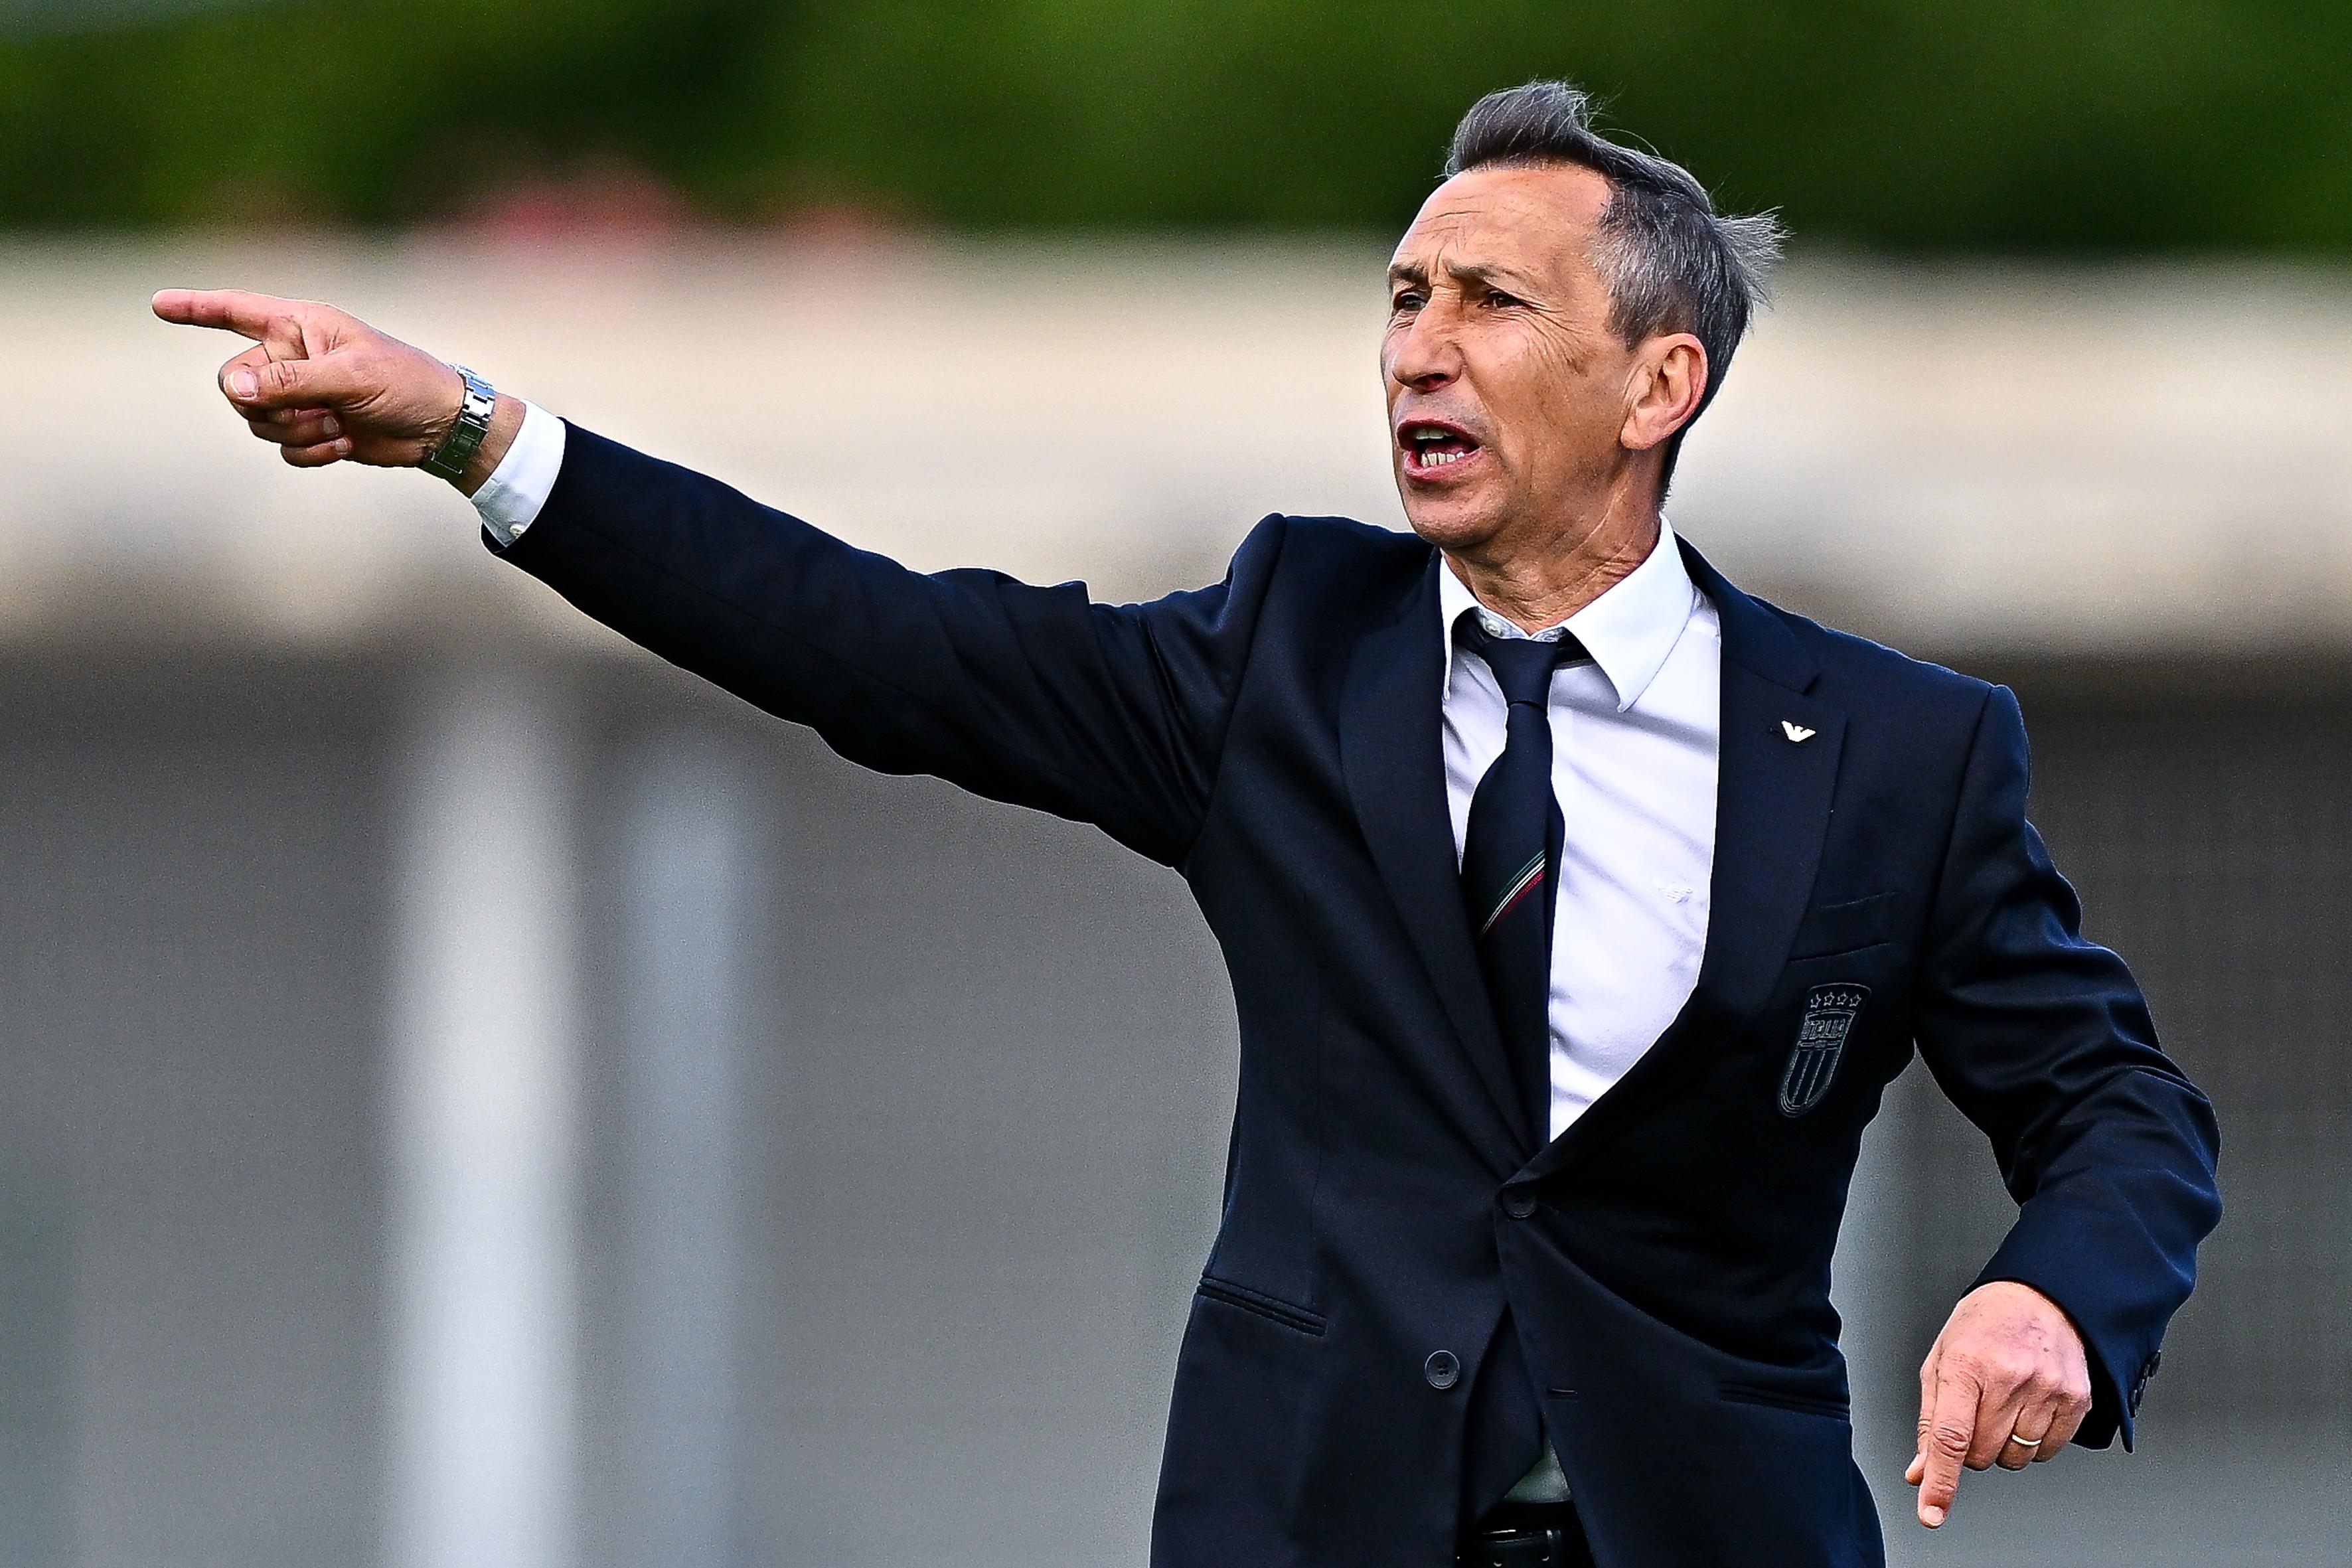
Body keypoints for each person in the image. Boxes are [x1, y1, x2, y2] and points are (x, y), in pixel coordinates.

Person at [155, 81, 2219, 1568]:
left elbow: (2120, 1105)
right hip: (1309, 1515)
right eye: (1402, 297)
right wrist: (484, 440)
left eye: (1491, 303)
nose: (1419, 344)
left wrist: (2056, 1295)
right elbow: (875, 644)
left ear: (1659, 377)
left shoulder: (1896, 747)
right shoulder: (1279, 653)